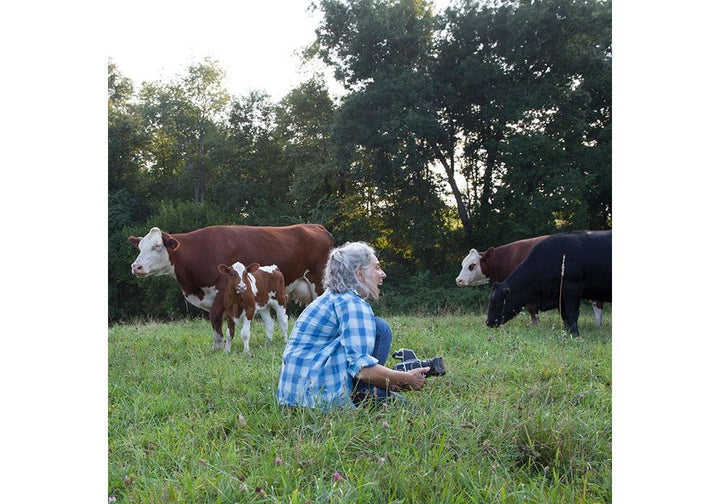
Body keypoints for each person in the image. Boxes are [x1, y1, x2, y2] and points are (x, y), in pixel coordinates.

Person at [276, 242, 429, 409]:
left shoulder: (331, 297)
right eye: (377, 268)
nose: (383, 274)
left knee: (379, 327)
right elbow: (362, 369)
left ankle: (368, 391)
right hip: (316, 399)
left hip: (292, 396)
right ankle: (364, 394)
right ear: (359, 274)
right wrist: (405, 378)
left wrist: (390, 380)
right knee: (407, 407)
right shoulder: (352, 304)